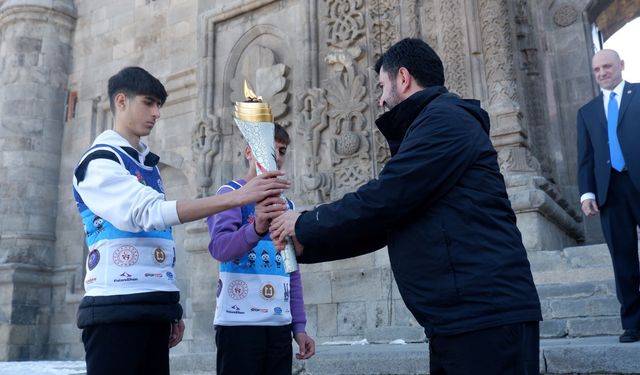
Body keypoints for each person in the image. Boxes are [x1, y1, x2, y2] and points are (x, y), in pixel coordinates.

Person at [270, 38, 542, 375]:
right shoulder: (431, 126)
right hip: (457, 319)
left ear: (403, 78)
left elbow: (385, 198)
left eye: (382, 86)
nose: (380, 99)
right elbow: (385, 222)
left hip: (485, 316)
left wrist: (303, 222)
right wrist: (303, 245)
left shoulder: (446, 121)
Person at [72, 66, 289, 375]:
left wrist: (170, 308)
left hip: (152, 309)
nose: (157, 113)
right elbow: (147, 214)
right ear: (121, 102)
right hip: (114, 311)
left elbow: (159, 241)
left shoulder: (148, 166)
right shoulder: (99, 161)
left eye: (159, 105)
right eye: (148, 102)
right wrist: (238, 197)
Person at [207, 123, 315, 375]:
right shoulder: (230, 194)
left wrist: (298, 326)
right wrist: (255, 229)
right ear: (248, 152)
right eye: (268, 150)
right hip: (238, 322)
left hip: (278, 322)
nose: (276, 157)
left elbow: (292, 269)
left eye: (282, 150)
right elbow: (220, 248)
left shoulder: (285, 203)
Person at [577, 49, 640, 343]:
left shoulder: (638, 94)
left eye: (607, 67)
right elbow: (585, 158)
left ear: (621, 66)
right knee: (622, 257)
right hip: (610, 191)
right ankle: (633, 322)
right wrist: (586, 193)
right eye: (597, 69)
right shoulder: (587, 112)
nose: (602, 73)